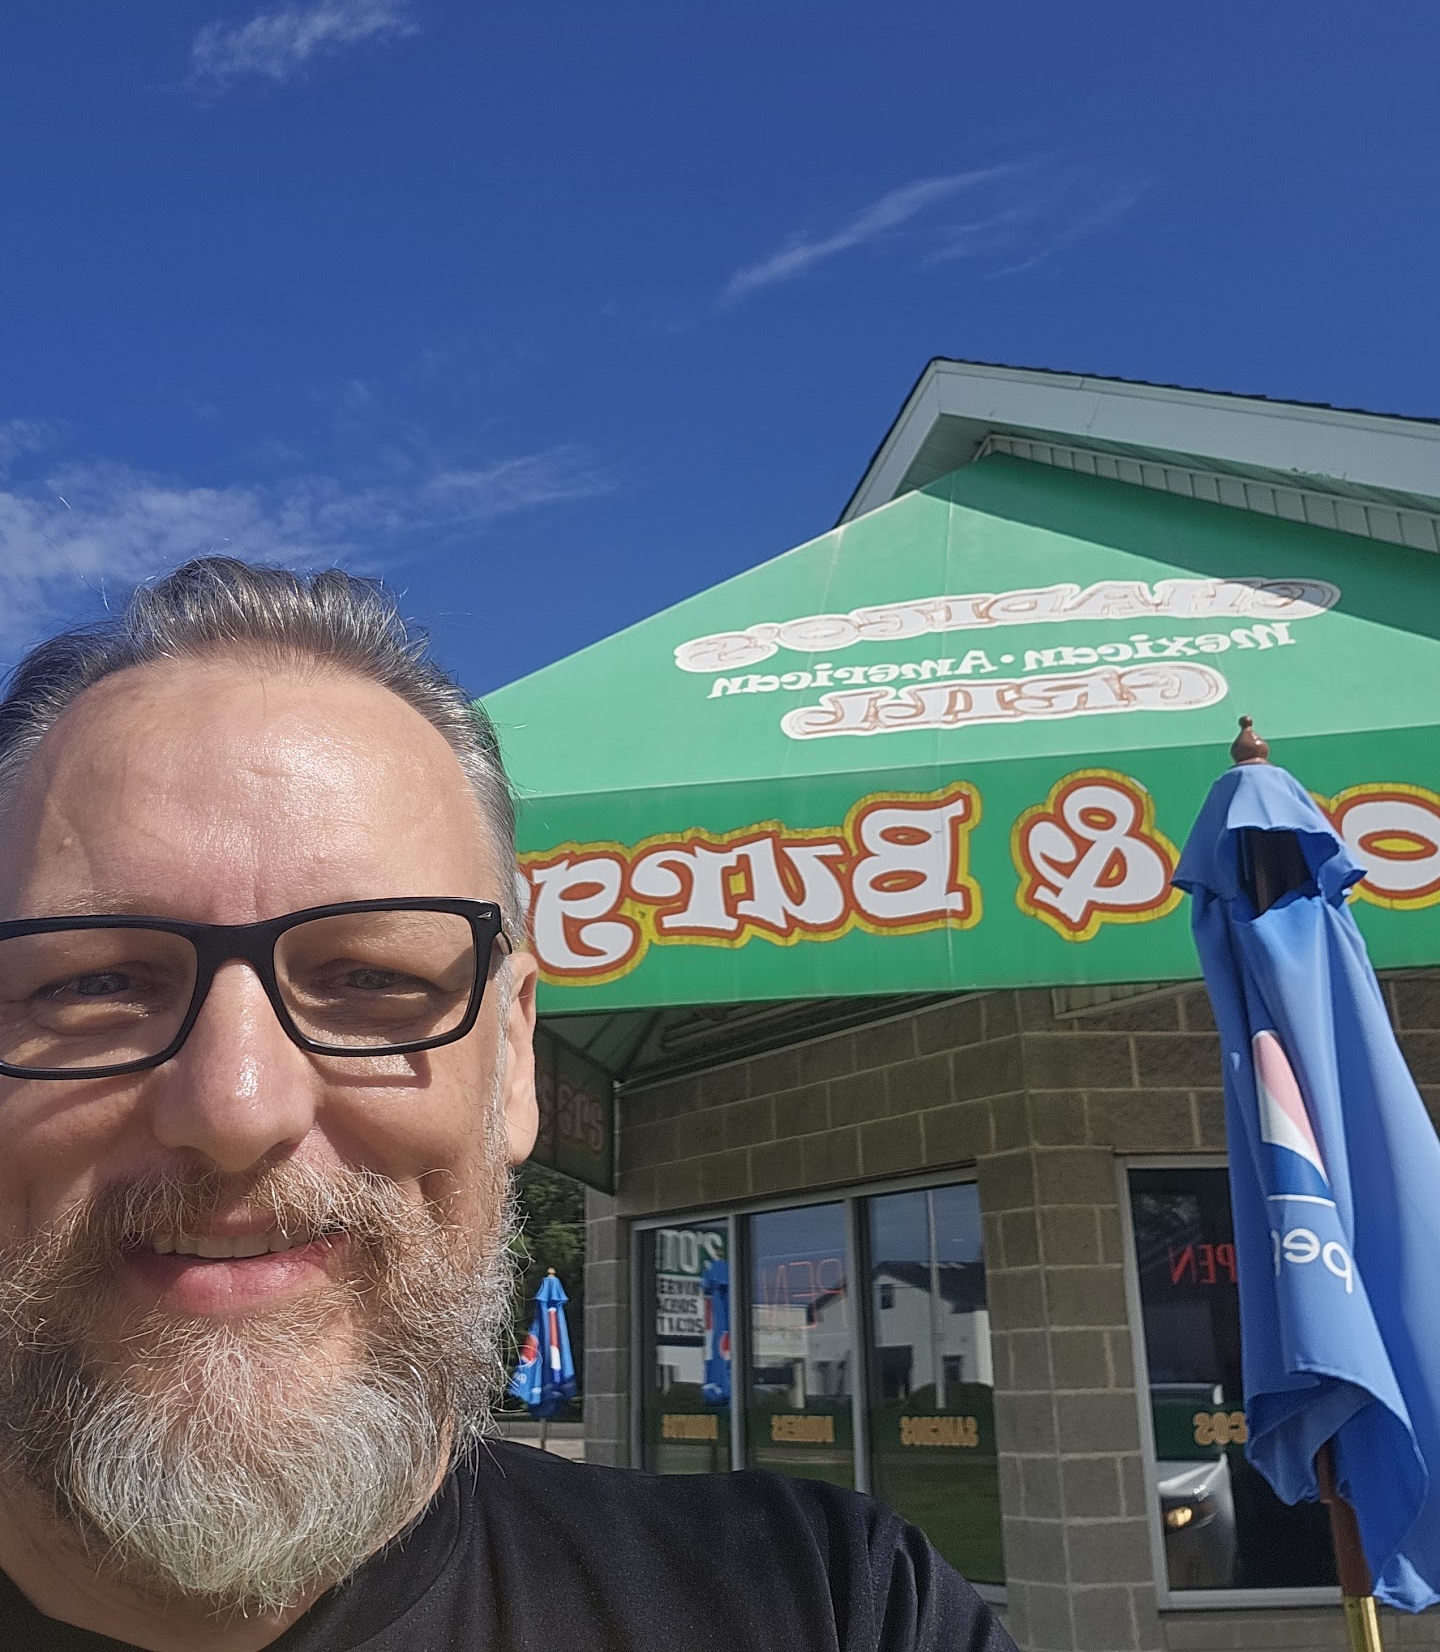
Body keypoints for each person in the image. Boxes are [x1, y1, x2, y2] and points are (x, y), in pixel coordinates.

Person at [0, 558, 1015, 1652]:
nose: (237, 1107)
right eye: (96, 982)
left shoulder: (836, 1607)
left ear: (516, 1058)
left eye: (371, 977)